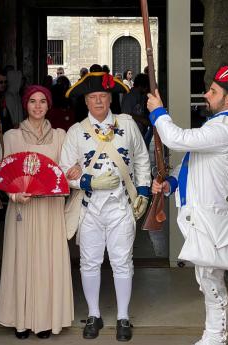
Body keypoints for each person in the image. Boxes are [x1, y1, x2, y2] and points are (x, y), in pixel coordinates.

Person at [149, 64, 228, 345]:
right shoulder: (217, 125)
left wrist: (158, 112)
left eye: (213, 91)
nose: (206, 94)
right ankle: (213, 334)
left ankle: (215, 336)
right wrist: (172, 184)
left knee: (211, 282)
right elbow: (193, 163)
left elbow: (177, 139)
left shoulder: (227, 128)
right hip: (204, 217)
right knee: (206, 280)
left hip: (213, 220)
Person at [60, 72, 151, 342]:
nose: (98, 101)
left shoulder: (128, 125)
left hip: (121, 205)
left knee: (123, 262)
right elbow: (65, 172)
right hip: (90, 207)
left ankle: (123, 316)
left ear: (110, 98)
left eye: (102, 96)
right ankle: (93, 313)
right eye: (92, 97)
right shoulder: (76, 132)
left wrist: (143, 192)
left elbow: (142, 159)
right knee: (89, 262)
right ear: (85, 102)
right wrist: (88, 181)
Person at [0, 85, 81, 339]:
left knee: (48, 261)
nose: (38, 106)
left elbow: (68, 167)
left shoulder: (60, 136)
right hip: (21, 208)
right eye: (32, 101)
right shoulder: (11, 137)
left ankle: (45, 320)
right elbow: (1, 175)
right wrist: (12, 193)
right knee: (21, 260)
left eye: (42, 101)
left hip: (50, 208)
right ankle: (20, 321)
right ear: (25, 104)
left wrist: (74, 169)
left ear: (48, 105)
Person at [121, 73, 151, 140]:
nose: (147, 89)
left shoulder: (142, 96)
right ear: (142, 86)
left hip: (139, 132)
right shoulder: (130, 96)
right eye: (146, 87)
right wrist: (143, 120)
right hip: (131, 133)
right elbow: (126, 114)